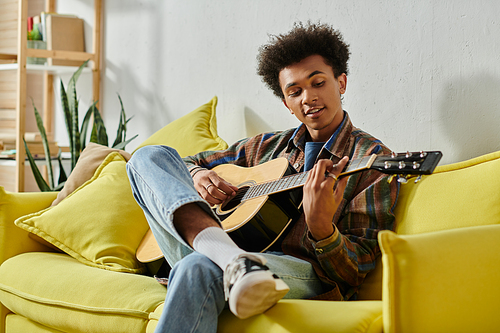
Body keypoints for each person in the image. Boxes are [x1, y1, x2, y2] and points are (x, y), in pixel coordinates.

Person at [127, 22, 399, 333]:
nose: (308, 97)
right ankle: (232, 260)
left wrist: (322, 230)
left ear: (341, 82)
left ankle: (235, 264)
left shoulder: (371, 159)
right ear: (287, 104)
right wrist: (198, 174)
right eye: (295, 91)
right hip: (220, 252)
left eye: (318, 83)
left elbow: (357, 269)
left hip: (301, 270)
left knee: (197, 265)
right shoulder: (265, 147)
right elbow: (185, 162)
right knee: (146, 157)